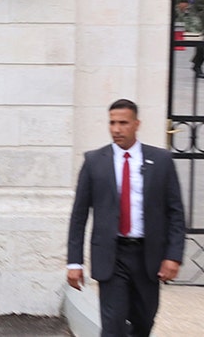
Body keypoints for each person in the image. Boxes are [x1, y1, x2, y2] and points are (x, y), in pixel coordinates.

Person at [66, 98, 186, 337]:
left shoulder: (161, 161)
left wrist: (173, 256)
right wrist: (74, 262)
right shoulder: (94, 162)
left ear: (136, 124)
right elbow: (79, 216)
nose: (117, 129)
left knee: (144, 322)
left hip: (147, 256)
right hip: (112, 256)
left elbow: (176, 212)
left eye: (123, 123)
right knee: (113, 326)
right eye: (112, 123)